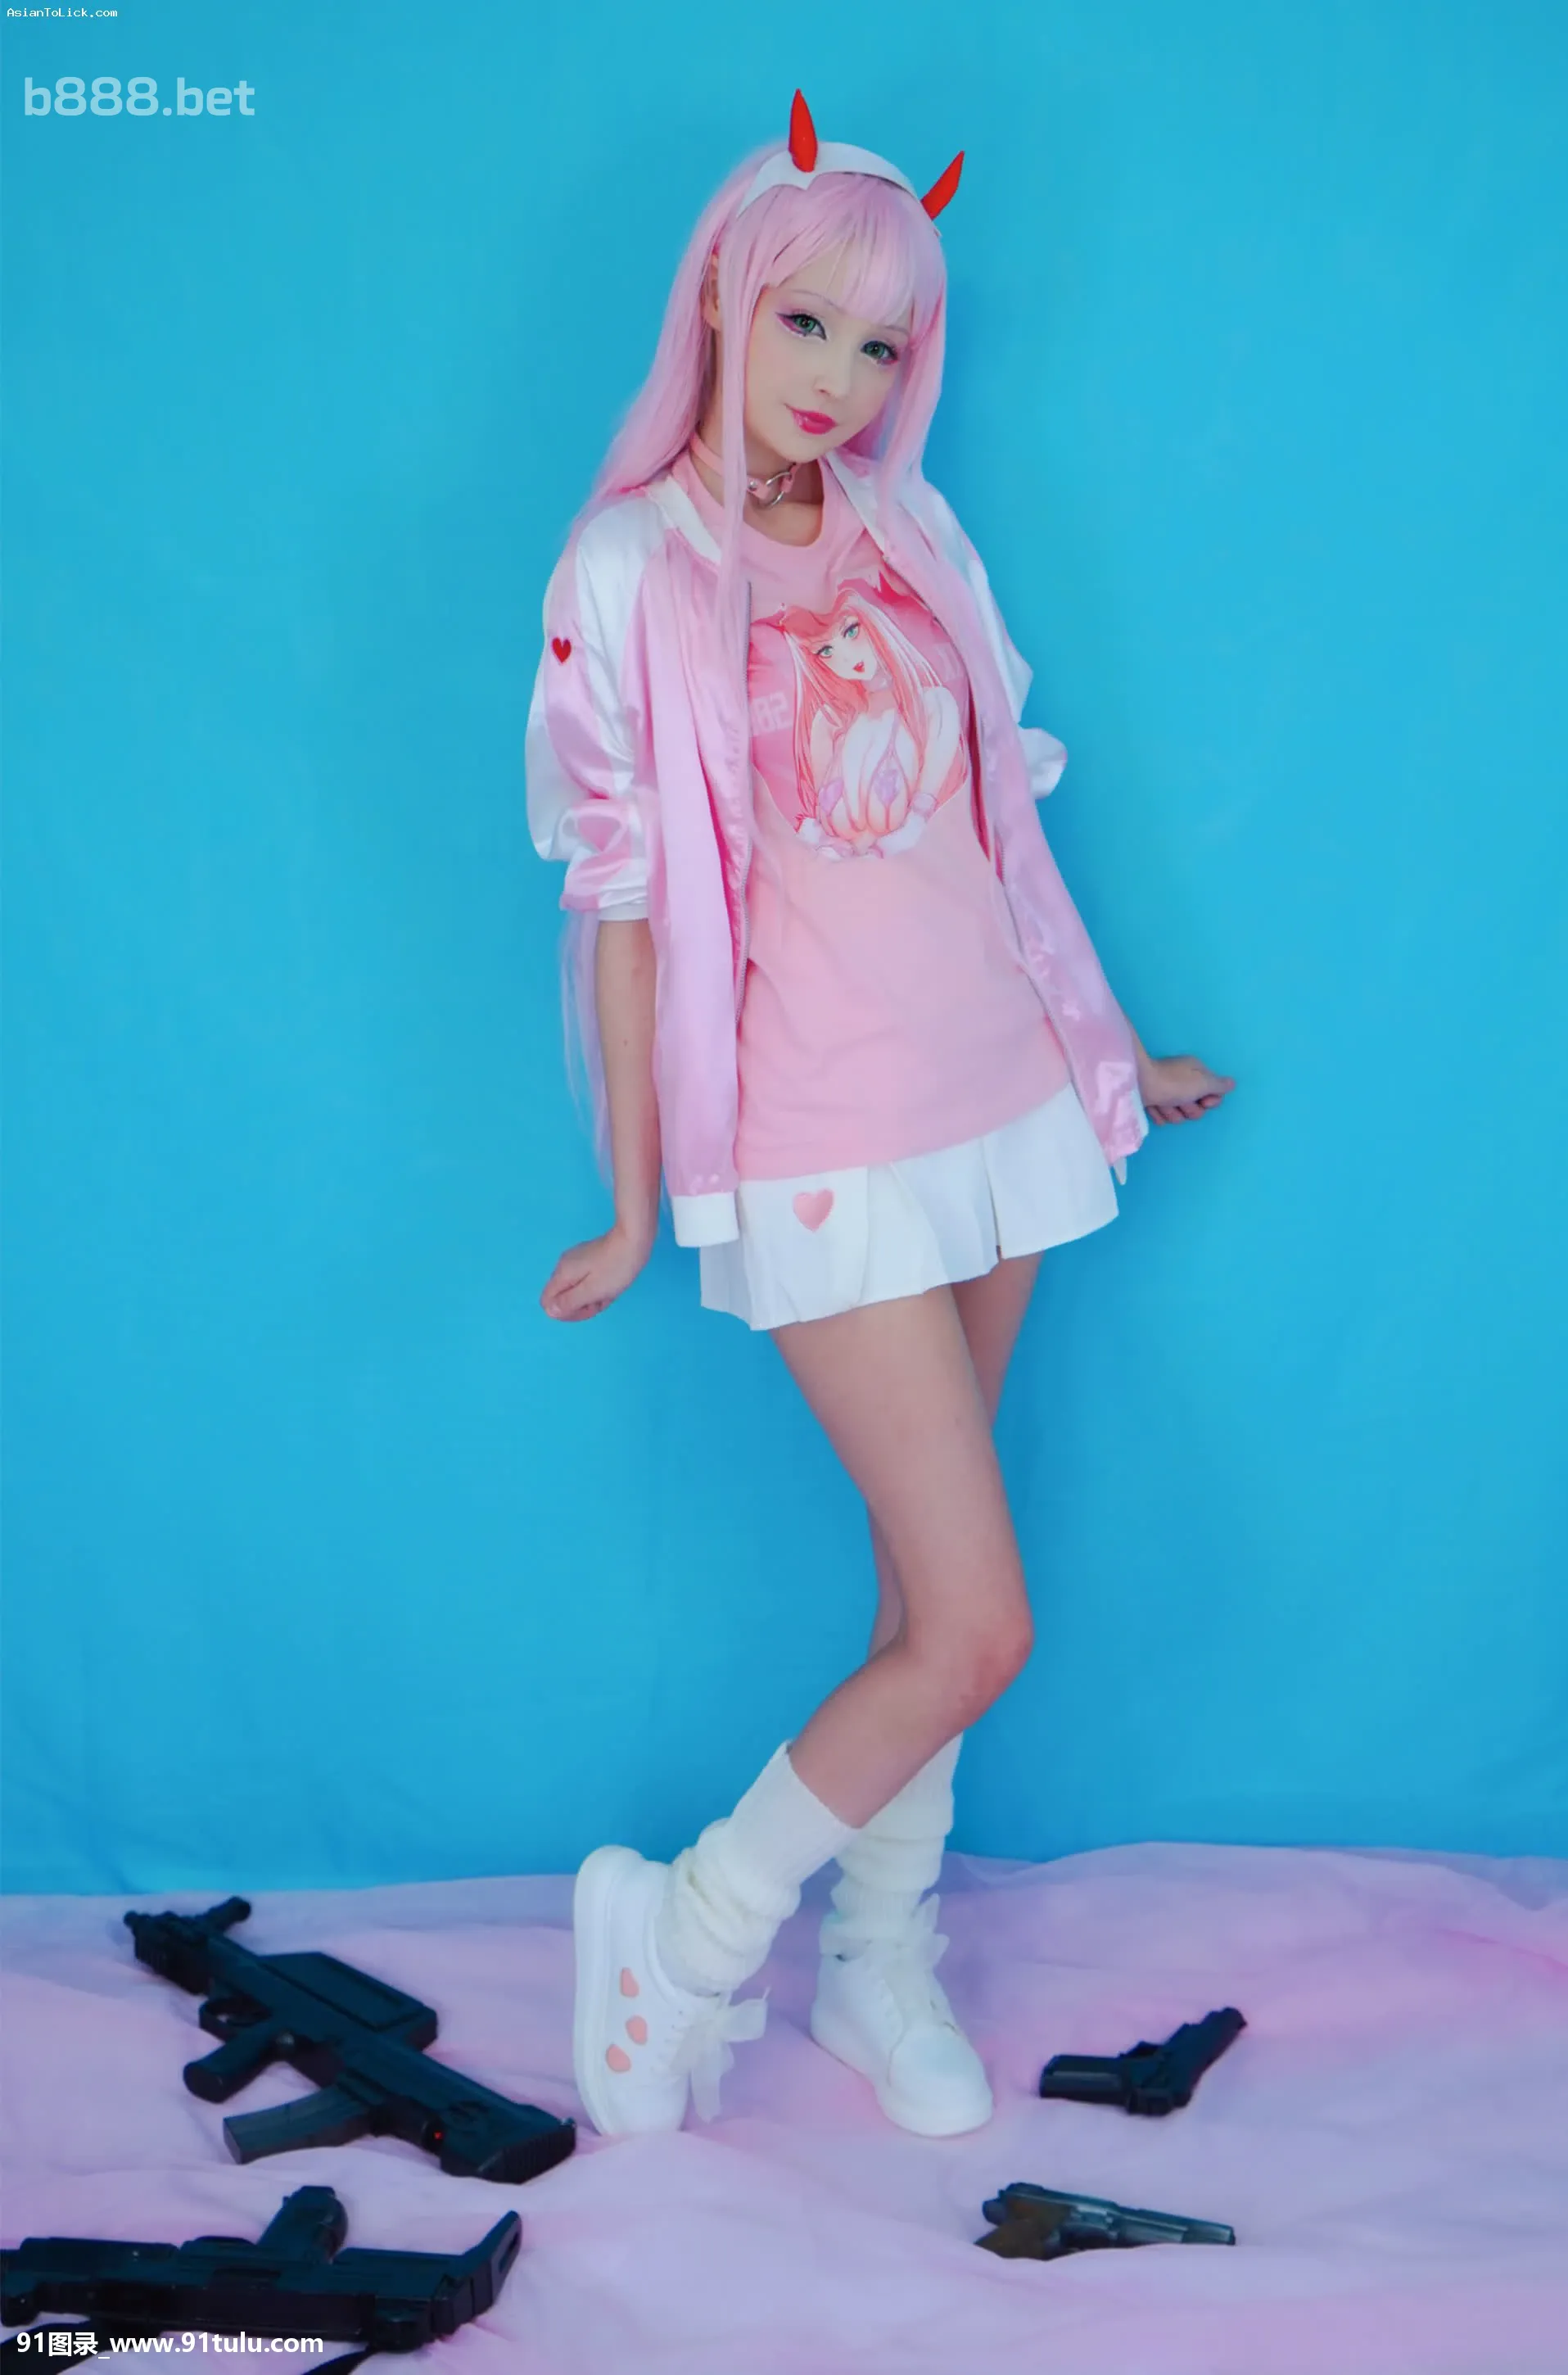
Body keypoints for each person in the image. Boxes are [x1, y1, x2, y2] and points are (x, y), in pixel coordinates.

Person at [525, 93, 1233, 2142]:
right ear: (723, 302)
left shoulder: (912, 531)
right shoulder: (632, 567)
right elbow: (623, 910)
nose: (839, 376)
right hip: (820, 1140)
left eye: (881, 342)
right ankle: (686, 1931)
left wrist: (1110, 1054)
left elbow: (998, 825)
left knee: (929, 1601)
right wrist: (636, 1204)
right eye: (806, 323)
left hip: (1001, 1099)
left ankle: (877, 1958)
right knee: (982, 1624)